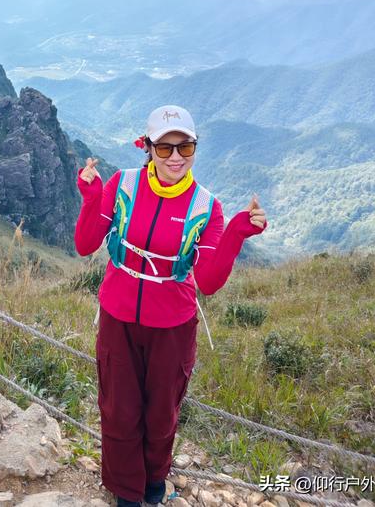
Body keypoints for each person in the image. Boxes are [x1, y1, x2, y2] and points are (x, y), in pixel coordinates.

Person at [75, 105, 268, 507]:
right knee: (119, 408)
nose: (176, 157)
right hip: (118, 315)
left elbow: (210, 281)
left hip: (174, 325)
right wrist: (92, 196)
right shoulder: (122, 184)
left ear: (195, 149)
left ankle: (153, 480)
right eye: (165, 148)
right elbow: (85, 243)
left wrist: (235, 231)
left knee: (162, 412)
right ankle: (127, 490)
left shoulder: (206, 206)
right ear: (147, 148)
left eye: (186, 147)